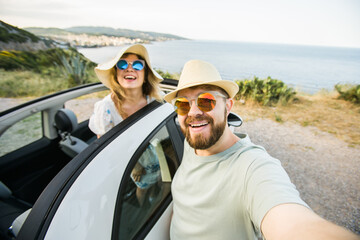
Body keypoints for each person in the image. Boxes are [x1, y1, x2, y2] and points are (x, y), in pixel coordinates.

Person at [164, 59, 359, 240]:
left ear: (228, 106)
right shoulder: (192, 143)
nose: (193, 112)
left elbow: (293, 224)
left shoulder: (253, 167)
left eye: (206, 100)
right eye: (182, 104)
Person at [89, 44, 162, 205]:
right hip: (126, 162)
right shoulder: (106, 109)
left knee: (157, 182)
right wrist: (134, 167)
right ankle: (143, 207)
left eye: (137, 65)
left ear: (145, 74)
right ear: (116, 73)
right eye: (122, 64)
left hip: (153, 154)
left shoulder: (155, 101)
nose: (129, 69)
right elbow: (106, 150)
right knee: (142, 188)